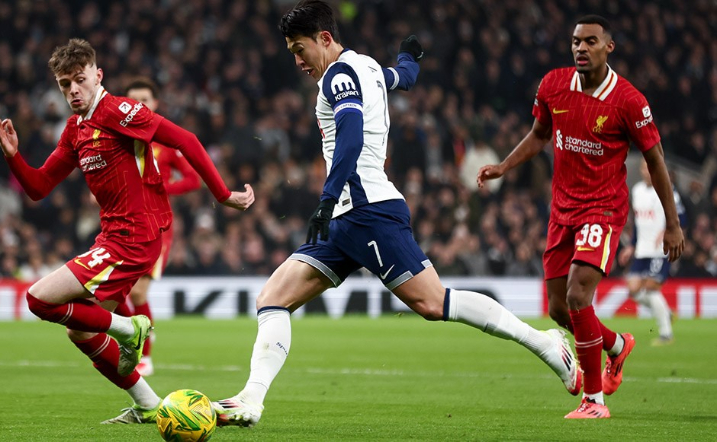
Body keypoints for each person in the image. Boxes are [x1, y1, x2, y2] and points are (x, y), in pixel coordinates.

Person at [214, 0, 579, 427]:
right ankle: (251, 400)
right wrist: (409, 56)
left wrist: (328, 198)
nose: (297, 61)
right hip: (348, 217)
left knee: (432, 302)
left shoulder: (338, 76)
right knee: (272, 298)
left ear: (325, 39)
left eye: (300, 49)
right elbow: (401, 78)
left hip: (367, 210)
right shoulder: (367, 67)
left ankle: (547, 344)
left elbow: (350, 135)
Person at [0, 39, 254, 425]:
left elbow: (186, 140)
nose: (73, 91)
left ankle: (129, 328)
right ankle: (150, 404)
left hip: (134, 236)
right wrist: (14, 157)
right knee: (81, 333)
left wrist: (223, 194)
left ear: (98, 76)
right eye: (65, 85)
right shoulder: (75, 129)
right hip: (114, 236)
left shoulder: (119, 110)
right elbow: (38, 187)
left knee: (38, 299)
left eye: (79, 80)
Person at [477, 15, 684, 418]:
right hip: (562, 211)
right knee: (559, 308)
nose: (580, 48)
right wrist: (503, 167)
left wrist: (672, 224)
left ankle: (594, 400)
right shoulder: (553, 84)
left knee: (577, 296)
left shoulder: (628, 100)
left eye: (590, 41)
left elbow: (656, 162)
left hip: (602, 210)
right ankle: (617, 346)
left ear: (609, 47)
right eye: (576, 41)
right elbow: (540, 135)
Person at [120, 78, 201, 377]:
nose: (139, 105)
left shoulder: (164, 141)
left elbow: (193, 179)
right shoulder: (118, 140)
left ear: (155, 104)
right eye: (133, 100)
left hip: (157, 225)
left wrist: (163, 189)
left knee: (138, 294)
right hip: (123, 222)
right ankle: (137, 335)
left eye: (145, 99)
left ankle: (145, 355)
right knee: (116, 296)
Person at [618, 159, 685, 346]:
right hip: (641, 249)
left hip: (659, 249)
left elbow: (682, 217)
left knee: (650, 288)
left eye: (649, 168)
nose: (646, 172)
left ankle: (666, 334)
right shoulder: (637, 191)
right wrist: (631, 246)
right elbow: (638, 223)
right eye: (643, 168)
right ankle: (666, 313)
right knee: (633, 290)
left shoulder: (666, 188)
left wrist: (669, 231)